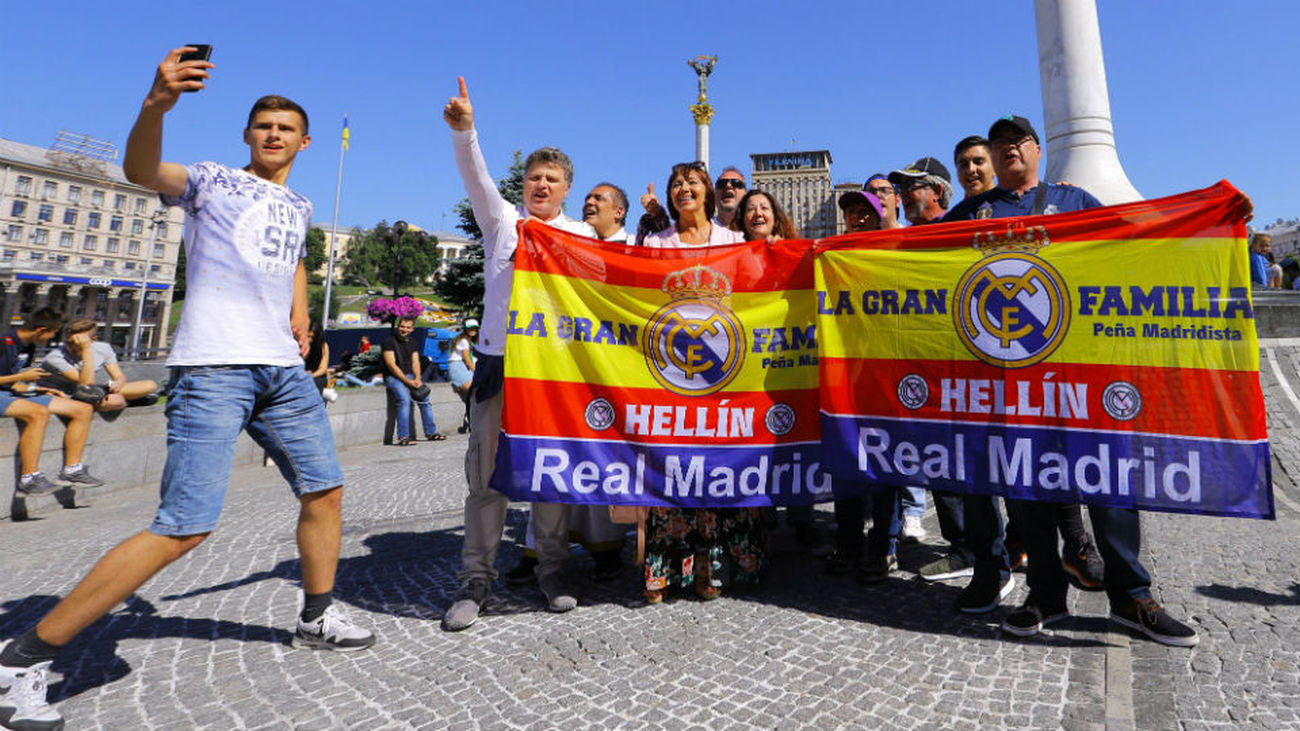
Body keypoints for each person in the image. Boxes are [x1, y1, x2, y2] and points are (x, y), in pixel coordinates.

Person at [0, 48, 375, 731]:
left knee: (325, 490)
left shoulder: (298, 202)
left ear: (304, 142)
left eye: (286, 128)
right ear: (247, 134)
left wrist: (299, 312)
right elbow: (142, 171)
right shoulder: (210, 180)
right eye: (263, 125)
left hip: (281, 372)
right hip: (214, 368)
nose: (273, 134)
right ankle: (22, 658)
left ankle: (317, 615)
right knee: (185, 526)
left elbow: (292, 257)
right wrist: (157, 105)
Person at [945, 114, 1197, 647]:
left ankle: (1132, 597)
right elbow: (916, 259)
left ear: (1037, 150)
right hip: (1012, 379)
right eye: (1000, 143)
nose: (1009, 149)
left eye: (1019, 141)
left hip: (1081, 371)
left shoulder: (1074, 200)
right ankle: (1045, 596)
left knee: (1107, 481)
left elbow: (1130, 245)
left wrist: (1210, 221)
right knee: (1028, 488)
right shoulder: (969, 214)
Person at [442, 76, 595, 630]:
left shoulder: (582, 235)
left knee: (550, 476)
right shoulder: (502, 221)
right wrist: (466, 132)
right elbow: (476, 177)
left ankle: (553, 569)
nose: (541, 184)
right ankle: (476, 579)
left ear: (566, 188)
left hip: (552, 370)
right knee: (485, 479)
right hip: (499, 361)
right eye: (534, 177)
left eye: (551, 179)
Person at [0, 308, 103, 498]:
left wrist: (37, 389)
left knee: (83, 409)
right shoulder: (3, 342)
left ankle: (72, 470)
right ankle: (29, 480)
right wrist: (22, 377)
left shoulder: (28, 346)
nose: (52, 338)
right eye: (53, 333)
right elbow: (12, 378)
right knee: (38, 412)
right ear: (41, 330)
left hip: (8, 392)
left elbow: (10, 382)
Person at [39, 319, 160, 413]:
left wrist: (118, 384)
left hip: (93, 392)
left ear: (93, 339)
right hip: (64, 395)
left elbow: (119, 376)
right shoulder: (54, 357)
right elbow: (86, 383)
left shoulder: (103, 348)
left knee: (150, 385)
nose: (74, 346)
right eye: (70, 342)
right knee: (105, 400)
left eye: (80, 342)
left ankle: (118, 401)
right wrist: (86, 350)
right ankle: (126, 401)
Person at [382, 316, 443, 445]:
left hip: (410, 375)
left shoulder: (413, 343)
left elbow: (416, 362)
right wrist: (407, 381)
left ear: (412, 329)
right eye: (402, 326)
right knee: (404, 399)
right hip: (393, 377)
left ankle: (431, 433)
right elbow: (391, 365)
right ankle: (403, 437)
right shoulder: (389, 342)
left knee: (425, 399)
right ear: (398, 327)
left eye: (408, 327)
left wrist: (417, 378)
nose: (404, 329)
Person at [888, 157, 953, 226]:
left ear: (937, 191)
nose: (903, 193)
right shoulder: (902, 233)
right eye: (900, 187)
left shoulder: (956, 227)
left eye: (910, 185)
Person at [447, 318, 477, 434]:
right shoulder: (464, 341)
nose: (472, 331)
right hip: (458, 367)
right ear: (465, 329)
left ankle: (469, 421)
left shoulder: (468, 340)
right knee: (474, 393)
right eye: (470, 329)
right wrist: (476, 372)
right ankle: (471, 422)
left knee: (473, 397)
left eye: (474, 328)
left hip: (461, 367)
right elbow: (468, 360)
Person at [953, 136, 996, 200]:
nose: (970, 169)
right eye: (964, 164)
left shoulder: (1010, 202)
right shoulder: (959, 207)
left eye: (978, 162)